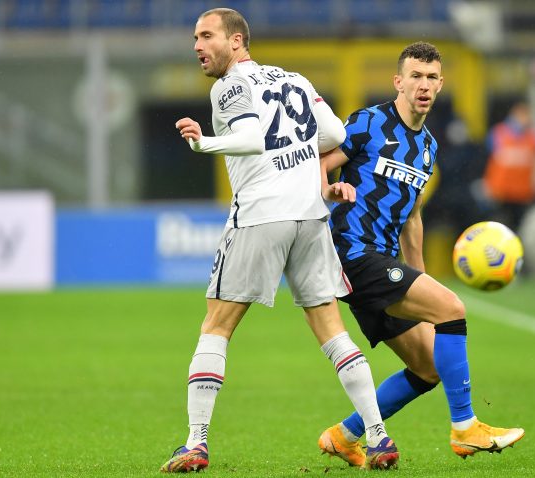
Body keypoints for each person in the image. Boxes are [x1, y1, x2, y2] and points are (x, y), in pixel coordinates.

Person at [160, 8, 398, 473]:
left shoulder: (228, 85)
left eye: (207, 36)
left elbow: (250, 136)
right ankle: (378, 436)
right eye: (195, 37)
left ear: (236, 41)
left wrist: (202, 143)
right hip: (310, 215)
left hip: (261, 215)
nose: (197, 45)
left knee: (217, 326)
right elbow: (334, 134)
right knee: (332, 330)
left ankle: (196, 443)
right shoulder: (294, 79)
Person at [317, 42, 524, 466]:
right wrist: (329, 190)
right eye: (415, 76)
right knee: (452, 310)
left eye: (431, 78)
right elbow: (319, 162)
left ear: (441, 84)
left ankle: (345, 435)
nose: (423, 85)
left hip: (384, 262)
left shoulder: (427, 147)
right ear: (399, 82)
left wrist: (421, 279)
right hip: (354, 253)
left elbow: (413, 218)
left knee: (429, 367)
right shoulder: (369, 122)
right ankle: (466, 428)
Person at [482, 101, 535, 232]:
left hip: (522, 193)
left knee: (517, 230)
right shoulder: (499, 133)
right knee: (501, 230)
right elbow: (487, 160)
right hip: (501, 193)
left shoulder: (532, 137)